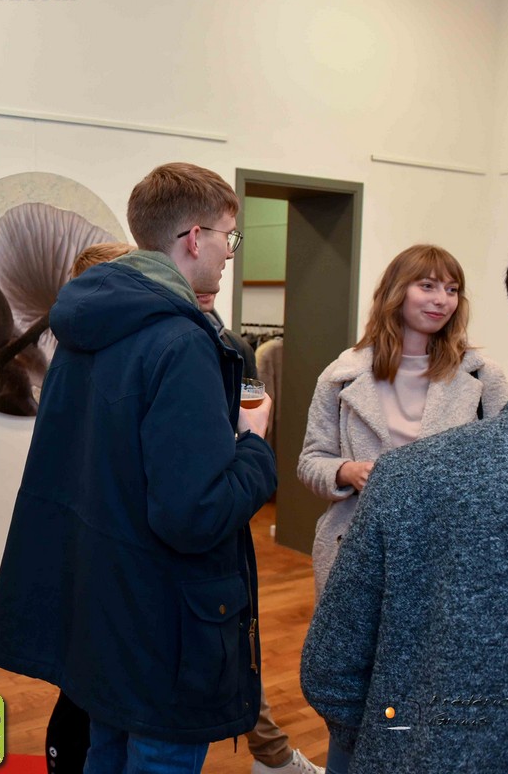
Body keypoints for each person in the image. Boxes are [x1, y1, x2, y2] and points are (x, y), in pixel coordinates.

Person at [0, 162, 277, 774]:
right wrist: (254, 446)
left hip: (105, 605)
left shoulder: (85, 329)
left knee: (106, 753)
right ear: (193, 238)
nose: (230, 252)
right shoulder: (181, 342)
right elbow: (193, 515)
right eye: (228, 236)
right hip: (165, 622)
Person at [41, 241, 321, 774]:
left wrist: (244, 431)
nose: (220, 267)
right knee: (139, 731)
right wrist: (254, 447)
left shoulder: (224, 346)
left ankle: (272, 752)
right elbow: (194, 507)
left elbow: (248, 405)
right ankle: (273, 753)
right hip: (165, 587)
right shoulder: (164, 347)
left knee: (114, 731)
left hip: (135, 584)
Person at [299, 229, 508, 771]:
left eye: (452, 289)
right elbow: (310, 460)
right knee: (358, 665)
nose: (441, 300)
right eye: (428, 285)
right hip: (357, 544)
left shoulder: (481, 376)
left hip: (450, 555)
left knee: (430, 670)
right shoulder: (342, 375)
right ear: (396, 292)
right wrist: (347, 471)